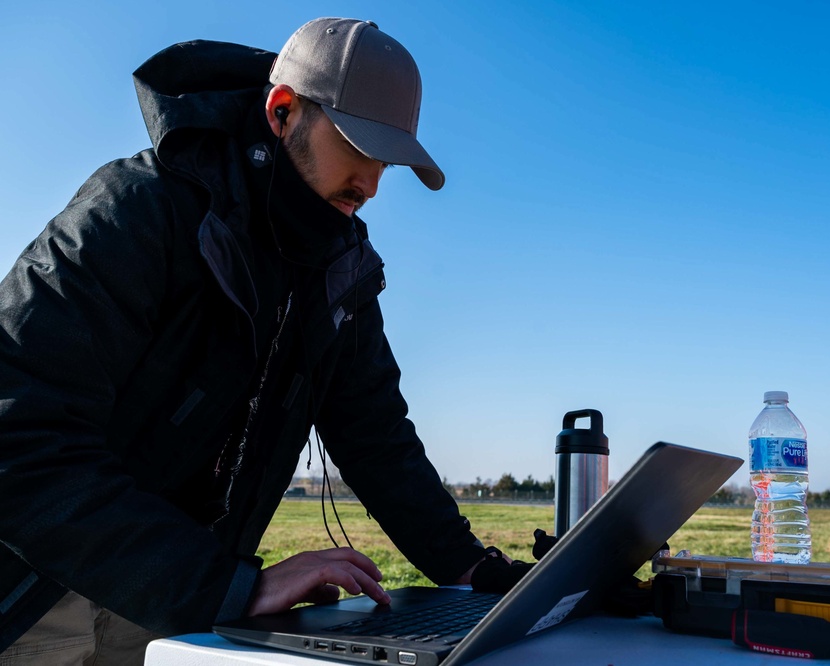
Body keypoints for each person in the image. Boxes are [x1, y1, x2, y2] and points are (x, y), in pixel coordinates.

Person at [0, 17, 491, 663]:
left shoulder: (340, 267)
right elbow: (17, 433)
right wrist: (223, 587)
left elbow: (377, 438)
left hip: (182, 601)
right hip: (37, 594)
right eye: (357, 145)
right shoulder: (137, 210)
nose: (371, 184)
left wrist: (475, 573)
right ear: (282, 111)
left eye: (387, 159)